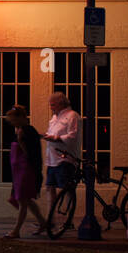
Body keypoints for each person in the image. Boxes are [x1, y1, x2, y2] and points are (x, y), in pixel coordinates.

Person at [1, 105, 46, 238]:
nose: (12, 124)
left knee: (22, 200)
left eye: (13, 121)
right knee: (25, 200)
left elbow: (29, 154)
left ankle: (16, 230)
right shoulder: (20, 130)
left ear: (21, 118)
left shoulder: (28, 131)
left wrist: (20, 141)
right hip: (19, 170)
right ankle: (43, 222)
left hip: (26, 170)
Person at [41, 90, 80, 231]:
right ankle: (50, 219)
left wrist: (56, 138)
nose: (51, 107)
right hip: (52, 159)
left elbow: (73, 137)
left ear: (61, 103)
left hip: (65, 159)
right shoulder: (54, 118)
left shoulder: (72, 116)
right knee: (50, 188)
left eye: (53, 104)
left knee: (67, 189)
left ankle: (68, 219)